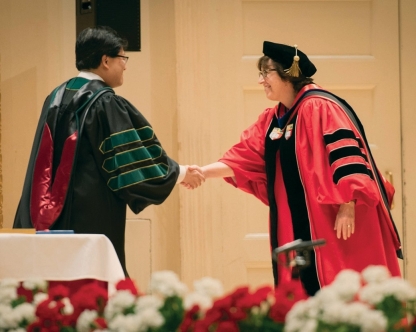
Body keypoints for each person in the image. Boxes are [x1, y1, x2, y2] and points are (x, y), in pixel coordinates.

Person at [192, 41, 402, 295]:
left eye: (266, 73)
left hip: (336, 220)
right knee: (302, 287)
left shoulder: (320, 106)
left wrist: (348, 205)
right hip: (297, 220)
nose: (261, 81)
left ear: (288, 73)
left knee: (343, 288)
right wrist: (201, 172)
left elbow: (347, 156)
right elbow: (243, 158)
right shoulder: (275, 118)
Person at [13, 26, 204, 276]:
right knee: (89, 292)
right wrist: (179, 172)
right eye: (122, 58)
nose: (125, 65)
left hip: (43, 219)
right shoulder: (104, 102)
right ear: (105, 60)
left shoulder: (56, 97)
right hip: (87, 220)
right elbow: (133, 160)